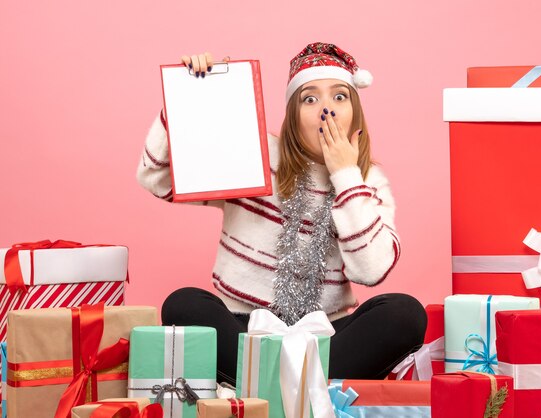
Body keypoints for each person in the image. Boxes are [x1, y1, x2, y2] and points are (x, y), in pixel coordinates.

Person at [137, 42, 427, 386]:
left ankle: (266, 387)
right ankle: (300, 390)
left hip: (324, 337)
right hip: (243, 329)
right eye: (310, 98)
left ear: (356, 112)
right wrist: (189, 97)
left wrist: (345, 175)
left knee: (405, 313)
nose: (326, 110)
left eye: (339, 97)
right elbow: (158, 179)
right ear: (292, 114)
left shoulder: (368, 181)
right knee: (183, 304)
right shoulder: (258, 155)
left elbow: (372, 270)